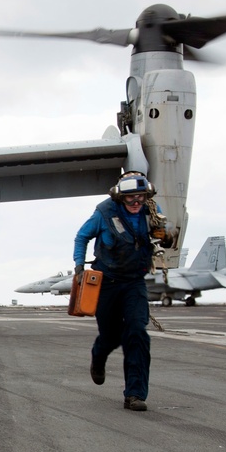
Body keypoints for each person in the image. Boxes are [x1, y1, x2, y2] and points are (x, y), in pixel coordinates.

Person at [73, 172, 174, 412]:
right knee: (111, 336)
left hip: (134, 283)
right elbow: (82, 236)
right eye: (130, 198)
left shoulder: (152, 210)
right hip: (107, 282)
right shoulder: (104, 213)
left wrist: (166, 237)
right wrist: (78, 265)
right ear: (120, 198)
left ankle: (135, 394)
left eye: (140, 196)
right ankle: (98, 356)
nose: (136, 201)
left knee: (137, 332)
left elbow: (166, 237)